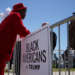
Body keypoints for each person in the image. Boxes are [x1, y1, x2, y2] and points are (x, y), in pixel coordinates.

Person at [0, 3, 48, 75]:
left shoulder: (9, 17)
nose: (26, 13)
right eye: (25, 11)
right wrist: (34, 36)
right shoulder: (16, 15)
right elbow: (22, 31)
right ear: (20, 11)